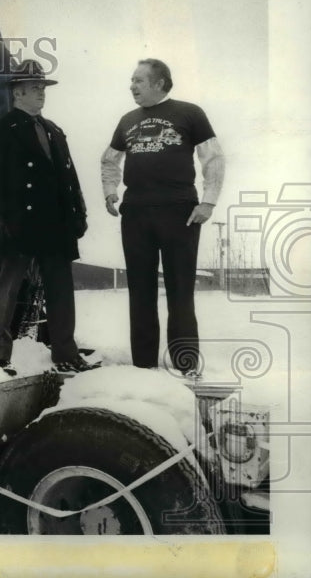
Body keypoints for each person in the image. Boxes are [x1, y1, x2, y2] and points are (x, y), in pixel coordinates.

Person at [100, 58, 225, 380]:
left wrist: (208, 201)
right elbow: (110, 160)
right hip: (136, 212)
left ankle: (185, 368)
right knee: (140, 293)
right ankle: (144, 369)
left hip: (179, 212)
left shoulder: (189, 113)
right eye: (131, 80)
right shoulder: (127, 120)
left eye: (139, 80)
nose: (132, 86)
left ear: (160, 83)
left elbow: (213, 158)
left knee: (180, 293)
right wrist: (110, 192)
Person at [0, 60, 95, 374]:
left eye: (42, 88)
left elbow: (69, 177)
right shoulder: (2, 129)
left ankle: (65, 354)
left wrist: (78, 212)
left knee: (61, 290)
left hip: (55, 224)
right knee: (7, 287)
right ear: (17, 93)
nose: (41, 95)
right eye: (34, 89)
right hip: (18, 221)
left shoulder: (54, 131)